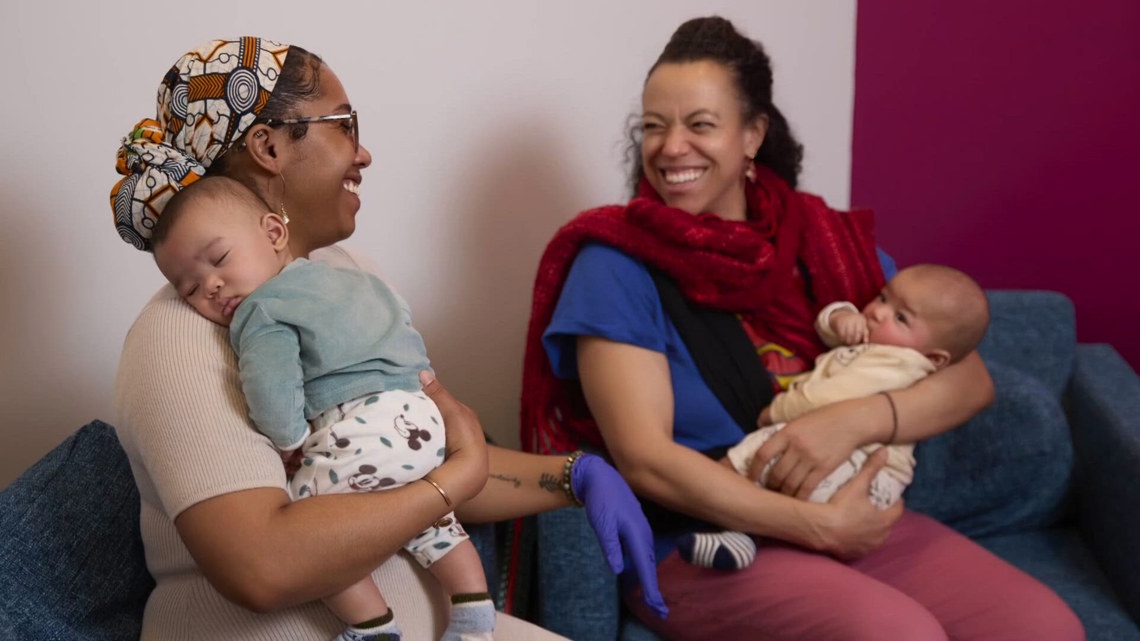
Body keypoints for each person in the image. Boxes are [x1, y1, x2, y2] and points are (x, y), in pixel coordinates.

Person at [520, 16, 1084, 641]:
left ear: (753, 134)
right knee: (896, 633)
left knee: (1043, 626)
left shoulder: (818, 240)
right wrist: (815, 527)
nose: (671, 146)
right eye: (655, 126)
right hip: (703, 539)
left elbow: (967, 379)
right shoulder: (615, 265)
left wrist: (849, 422)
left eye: (700, 123)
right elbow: (646, 461)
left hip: (853, 511)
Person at [109, 37, 666, 641]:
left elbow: (411, 457)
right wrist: (445, 486)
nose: (364, 151)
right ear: (268, 146)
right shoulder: (179, 338)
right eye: (345, 124)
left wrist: (574, 476)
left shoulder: (350, 274)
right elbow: (261, 568)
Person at [150, 176, 495, 641]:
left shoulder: (262, 310)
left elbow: (272, 390)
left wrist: (289, 441)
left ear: (274, 234)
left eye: (220, 260)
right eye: (189, 288)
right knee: (432, 521)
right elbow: (407, 333)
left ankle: (373, 627)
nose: (211, 286)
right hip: (421, 420)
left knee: (316, 529)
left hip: (361, 427)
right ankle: (474, 613)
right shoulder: (358, 279)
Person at [680, 263, 990, 570]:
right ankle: (741, 536)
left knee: (757, 452)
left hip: (862, 473)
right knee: (772, 470)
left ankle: (726, 524)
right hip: (849, 464)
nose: (877, 312)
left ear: (934, 358)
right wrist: (841, 317)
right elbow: (827, 331)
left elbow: (827, 400)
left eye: (901, 317)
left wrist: (775, 412)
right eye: (883, 298)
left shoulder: (897, 363)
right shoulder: (878, 343)